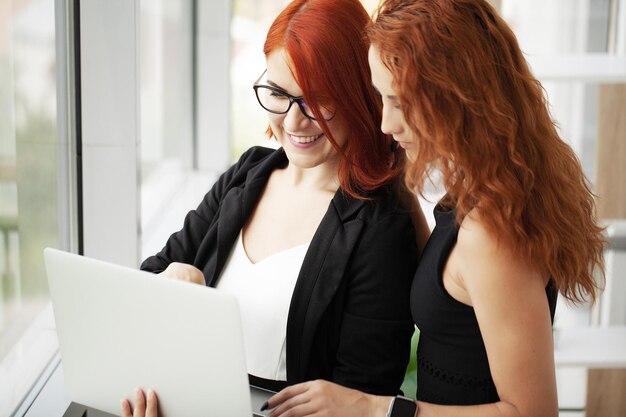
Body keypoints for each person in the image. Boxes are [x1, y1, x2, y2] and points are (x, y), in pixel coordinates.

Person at [262, 0, 606, 416]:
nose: (386, 123)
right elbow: (448, 287)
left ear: (454, 97)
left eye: (400, 102)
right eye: (379, 98)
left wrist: (373, 408)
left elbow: (532, 413)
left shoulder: (491, 234)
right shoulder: (476, 189)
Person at [120, 0, 427, 416]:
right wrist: (170, 279)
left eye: (318, 101)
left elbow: (360, 394)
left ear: (360, 94)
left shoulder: (379, 226)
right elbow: (151, 278)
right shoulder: (248, 174)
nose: (294, 122)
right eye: (279, 94)